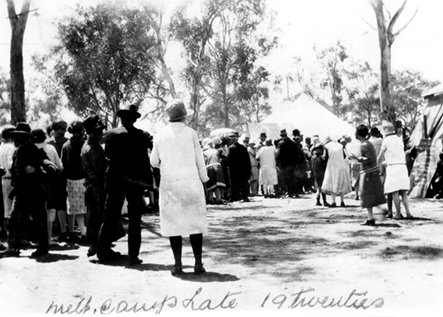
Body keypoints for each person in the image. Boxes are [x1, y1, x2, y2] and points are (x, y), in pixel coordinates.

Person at [150, 99, 209, 275]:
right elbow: (200, 160)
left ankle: (178, 264)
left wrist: (167, 166)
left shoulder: (159, 135)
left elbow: (154, 161)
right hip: (191, 182)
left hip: (170, 185)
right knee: (195, 223)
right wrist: (204, 179)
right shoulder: (191, 133)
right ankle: (198, 263)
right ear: (184, 116)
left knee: (173, 225)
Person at [96, 104, 152, 265]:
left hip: (116, 179)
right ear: (134, 119)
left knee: (110, 216)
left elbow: (108, 155)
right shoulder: (141, 135)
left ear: (121, 118)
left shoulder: (111, 134)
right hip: (135, 181)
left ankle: (102, 251)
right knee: (135, 218)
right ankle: (133, 255)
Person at [1, 123, 52, 257]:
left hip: (28, 190)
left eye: (18, 137)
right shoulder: (30, 149)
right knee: (35, 219)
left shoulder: (26, 150)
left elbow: (26, 170)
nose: (15, 139)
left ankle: (15, 247)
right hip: (28, 190)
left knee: (18, 219)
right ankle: (40, 247)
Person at [81, 115, 107, 257]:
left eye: (101, 131)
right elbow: (99, 170)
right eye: (97, 131)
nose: (100, 134)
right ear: (90, 132)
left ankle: (95, 246)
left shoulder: (92, 146)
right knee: (99, 217)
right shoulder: (91, 149)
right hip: (97, 187)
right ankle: (101, 248)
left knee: (93, 218)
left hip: (94, 187)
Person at [31, 129, 63, 245]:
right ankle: (48, 238)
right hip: (50, 184)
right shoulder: (50, 148)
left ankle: (37, 239)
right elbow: (59, 166)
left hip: (34, 184)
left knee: (36, 211)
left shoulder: (30, 149)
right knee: (50, 210)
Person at [351, 125, 386, 226]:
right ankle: (373, 215)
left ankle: (373, 216)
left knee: (367, 196)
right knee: (371, 196)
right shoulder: (368, 143)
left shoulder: (364, 145)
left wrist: (357, 158)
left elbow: (369, 158)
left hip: (368, 173)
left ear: (358, 134)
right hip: (372, 172)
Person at [377, 121, 413, 219]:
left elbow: (380, 156)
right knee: (403, 192)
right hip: (402, 166)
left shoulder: (386, 140)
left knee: (394, 192)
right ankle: (408, 212)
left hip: (392, 167)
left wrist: (376, 165)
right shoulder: (399, 139)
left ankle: (397, 213)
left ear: (386, 131)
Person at [61, 121, 87, 243]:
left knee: (73, 207)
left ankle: (75, 231)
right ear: (80, 130)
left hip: (70, 180)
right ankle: (84, 232)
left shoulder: (66, 145)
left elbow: (63, 164)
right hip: (83, 179)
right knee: (83, 208)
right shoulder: (84, 144)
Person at [47, 120, 69, 241]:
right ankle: (62, 230)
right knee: (60, 203)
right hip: (60, 176)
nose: (63, 131)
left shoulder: (48, 144)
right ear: (55, 130)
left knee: (54, 204)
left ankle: (57, 230)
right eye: (61, 128)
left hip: (52, 177)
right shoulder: (66, 142)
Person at [321, 136, 352, 207]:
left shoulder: (326, 146)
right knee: (341, 183)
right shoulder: (340, 146)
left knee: (332, 183)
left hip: (331, 167)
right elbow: (344, 156)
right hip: (341, 166)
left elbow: (325, 157)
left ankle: (333, 201)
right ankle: (342, 201)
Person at [0, 126, 16, 237]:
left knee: (4, 207)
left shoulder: (1, 147)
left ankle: (5, 232)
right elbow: (11, 165)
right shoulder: (11, 147)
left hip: (2, 179)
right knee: (11, 208)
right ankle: (12, 235)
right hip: (11, 179)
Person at [227, 132, 251, 202]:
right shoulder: (243, 148)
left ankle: (235, 197)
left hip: (234, 169)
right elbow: (247, 160)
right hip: (243, 169)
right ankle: (245, 197)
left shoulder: (230, 148)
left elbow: (229, 159)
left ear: (232, 139)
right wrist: (248, 169)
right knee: (244, 183)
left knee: (235, 183)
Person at [203, 137, 226, 204]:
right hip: (218, 167)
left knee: (210, 184)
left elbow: (204, 162)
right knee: (217, 184)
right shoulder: (216, 151)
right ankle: (218, 198)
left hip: (209, 168)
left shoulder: (204, 153)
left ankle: (210, 198)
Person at [311, 142, 329, 206]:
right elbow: (325, 165)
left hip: (316, 174)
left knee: (318, 188)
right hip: (322, 174)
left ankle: (318, 201)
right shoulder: (321, 158)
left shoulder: (313, 158)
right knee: (322, 188)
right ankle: (324, 201)